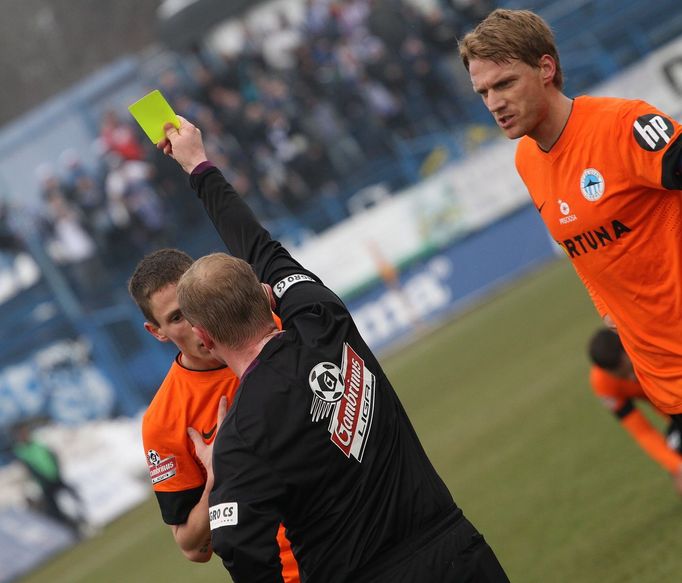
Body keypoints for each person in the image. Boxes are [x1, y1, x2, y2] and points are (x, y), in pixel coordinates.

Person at [158, 116, 510, 583]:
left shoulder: (240, 435)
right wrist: (198, 165)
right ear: (267, 296)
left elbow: (238, 545)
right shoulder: (323, 317)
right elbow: (259, 245)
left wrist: (219, 470)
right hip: (457, 551)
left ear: (203, 337)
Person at [458, 9, 682, 422]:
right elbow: (581, 246)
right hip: (665, 382)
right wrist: (606, 307)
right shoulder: (527, 159)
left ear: (546, 67)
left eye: (505, 83)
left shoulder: (621, 124)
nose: (494, 103)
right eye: (483, 93)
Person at [128, 248, 299, 580]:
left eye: (195, 304)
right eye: (177, 317)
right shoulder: (164, 421)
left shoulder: (277, 329)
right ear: (157, 331)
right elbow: (194, 548)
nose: (196, 324)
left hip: (360, 534)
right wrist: (218, 478)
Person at [588, 328, 682, 495]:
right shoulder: (603, 384)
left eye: (631, 368)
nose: (632, 378)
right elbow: (642, 432)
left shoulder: (651, 343)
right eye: (623, 375)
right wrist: (677, 466)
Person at [11, 422, 87, 537]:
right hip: (45, 484)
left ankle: (84, 521)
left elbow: (52, 455)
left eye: (25, 432)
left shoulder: (38, 442)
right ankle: (72, 531)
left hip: (56, 477)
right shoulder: (20, 451)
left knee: (72, 497)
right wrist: (41, 479)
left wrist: (57, 470)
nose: (24, 435)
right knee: (55, 510)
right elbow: (30, 468)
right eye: (22, 433)